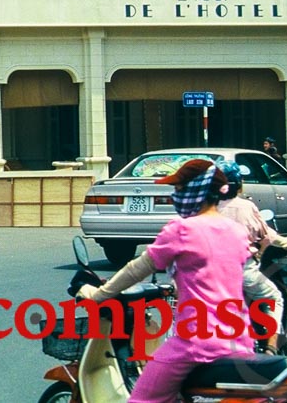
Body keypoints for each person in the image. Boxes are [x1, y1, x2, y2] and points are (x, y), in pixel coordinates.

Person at [77, 159, 253, 403]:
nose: (175, 196)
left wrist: (99, 295)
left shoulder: (182, 230)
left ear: (196, 191)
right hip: (239, 340)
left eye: (179, 189)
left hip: (196, 343)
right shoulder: (237, 231)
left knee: (141, 400)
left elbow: (138, 268)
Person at [216, 160, 287, 353]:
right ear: (239, 185)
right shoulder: (245, 207)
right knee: (275, 297)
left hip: (211, 273)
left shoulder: (205, 208)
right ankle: (271, 348)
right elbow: (267, 236)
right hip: (243, 271)